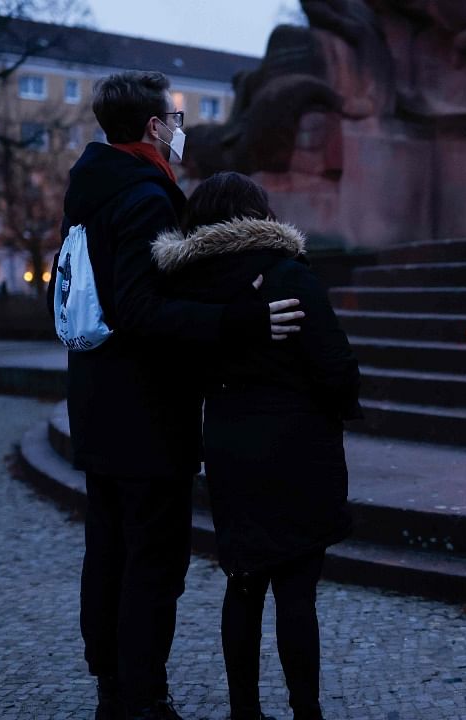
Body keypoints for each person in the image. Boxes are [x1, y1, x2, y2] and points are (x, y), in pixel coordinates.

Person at [52, 72, 305, 720]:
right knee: (151, 560)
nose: (180, 126)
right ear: (154, 128)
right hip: (144, 410)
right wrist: (235, 322)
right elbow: (140, 307)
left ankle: (114, 688)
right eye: (174, 116)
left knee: (109, 550)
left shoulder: (92, 188)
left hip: (99, 402)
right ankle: (142, 698)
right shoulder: (144, 197)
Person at [152, 172, 360, 720]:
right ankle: (305, 712)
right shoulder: (287, 273)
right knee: (297, 591)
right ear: (257, 216)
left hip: (229, 445)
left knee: (242, 583)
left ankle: (244, 711)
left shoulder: (183, 287)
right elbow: (335, 366)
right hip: (296, 446)